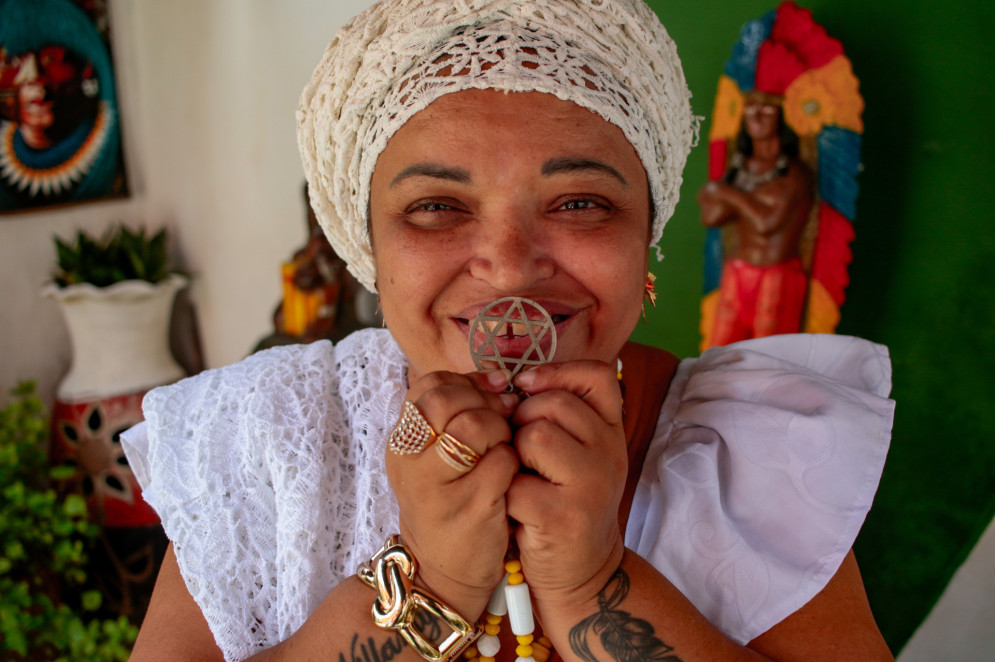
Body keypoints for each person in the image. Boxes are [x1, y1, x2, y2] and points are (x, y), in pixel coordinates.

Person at [122, 1, 895, 661]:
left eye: (579, 203)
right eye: (436, 207)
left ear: (645, 239)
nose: (508, 268)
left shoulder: (749, 453)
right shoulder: (262, 440)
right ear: (369, 252)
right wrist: (428, 582)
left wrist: (588, 584)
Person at [698, 94, 815, 347]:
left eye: (766, 109)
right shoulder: (741, 169)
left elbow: (765, 224)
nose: (756, 116)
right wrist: (724, 195)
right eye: (750, 109)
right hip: (737, 273)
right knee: (720, 352)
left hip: (775, 277)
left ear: (782, 118)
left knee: (766, 357)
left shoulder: (794, 173)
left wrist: (724, 193)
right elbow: (712, 217)